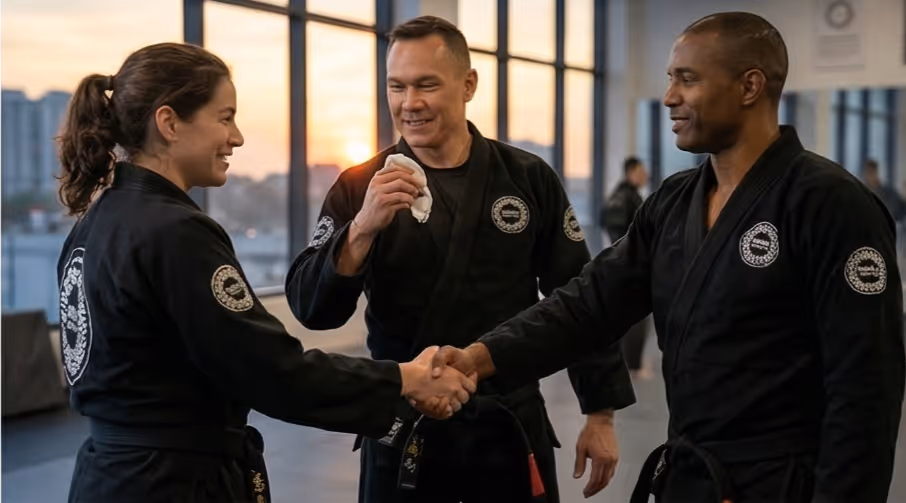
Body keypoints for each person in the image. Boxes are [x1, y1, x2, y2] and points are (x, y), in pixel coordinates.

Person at [431, 12, 905, 503]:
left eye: (687, 79)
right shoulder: (675, 202)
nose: (669, 97)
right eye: (669, 79)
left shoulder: (829, 204)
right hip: (690, 476)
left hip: (781, 484)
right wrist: (478, 358)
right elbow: (587, 305)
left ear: (749, 86)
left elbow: (866, 392)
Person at [55, 42, 476, 503]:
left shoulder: (95, 223)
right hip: (173, 483)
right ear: (169, 123)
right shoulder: (176, 233)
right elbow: (274, 371)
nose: (236, 137)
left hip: (109, 476)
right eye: (224, 117)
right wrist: (405, 379)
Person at [285, 15, 635, 503]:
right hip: (404, 422)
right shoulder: (361, 185)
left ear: (468, 84)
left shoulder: (526, 177)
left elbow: (579, 298)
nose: (410, 103)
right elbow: (312, 310)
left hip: (506, 419)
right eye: (397, 87)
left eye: (427, 85)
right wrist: (361, 229)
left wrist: (600, 412)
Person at [603, 157, 651, 378]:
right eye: (642, 171)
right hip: (629, 266)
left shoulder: (626, 195)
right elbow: (617, 231)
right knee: (635, 316)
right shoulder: (625, 197)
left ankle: (631, 363)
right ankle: (632, 365)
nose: (646, 175)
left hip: (628, 263)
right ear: (631, 172)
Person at [863, 158, 906, 223]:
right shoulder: (862, 194)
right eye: (868, 173)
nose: (869, 177)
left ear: (876, 172)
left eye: (871, 172)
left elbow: (900, 211)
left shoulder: (889, 193)